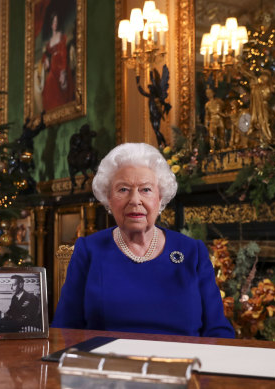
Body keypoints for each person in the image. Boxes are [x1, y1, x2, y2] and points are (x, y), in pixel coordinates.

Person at [51, 143, 235, 338]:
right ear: (108, 198)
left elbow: (217, 329)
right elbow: (65, 328)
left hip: (181, 365)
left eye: (145, 189)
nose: (135, 200)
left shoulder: (192, 251)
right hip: (107, 364)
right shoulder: (88, 250)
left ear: (160, 197)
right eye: (123, 189)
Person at [40, 11, 73, 111]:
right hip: (53, 67)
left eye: (56, 21)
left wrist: (63, 71)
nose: (55, 24)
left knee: (59, 88)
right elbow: (45, 55)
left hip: (60, 66)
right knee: (49, 85)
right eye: (53, 22)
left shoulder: (61, 36)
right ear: (51, 24)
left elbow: (63, 53)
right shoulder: (49, 42)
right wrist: (45, 60)